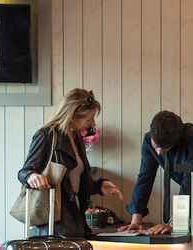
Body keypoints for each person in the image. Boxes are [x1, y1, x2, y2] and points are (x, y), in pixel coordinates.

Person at [17, 88, 123, 237]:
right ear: (72, 116)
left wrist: (100, 186)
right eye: (89, 119)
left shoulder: (76, 138)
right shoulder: (46, 135)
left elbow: (76, 183)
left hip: (74, 219)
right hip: (53, 223)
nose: (92, 123)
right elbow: (24, 172)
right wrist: (31, 176)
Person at [118, 111, 193, 235]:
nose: (158, 152)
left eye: (164, 148)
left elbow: (190, 182)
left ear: (176, 140)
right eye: (156, 145)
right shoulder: (149, 140)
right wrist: (136, 221)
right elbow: (145, 178)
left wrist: (174, 223)